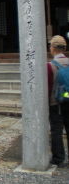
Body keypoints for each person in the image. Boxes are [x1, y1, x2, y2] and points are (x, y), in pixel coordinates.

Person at [47, 35, 69, 168]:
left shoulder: (50, 66)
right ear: (65, 48)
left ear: (52, 48)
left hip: (56, 102)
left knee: (56, 130)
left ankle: (58, 158)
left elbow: (48, 87)